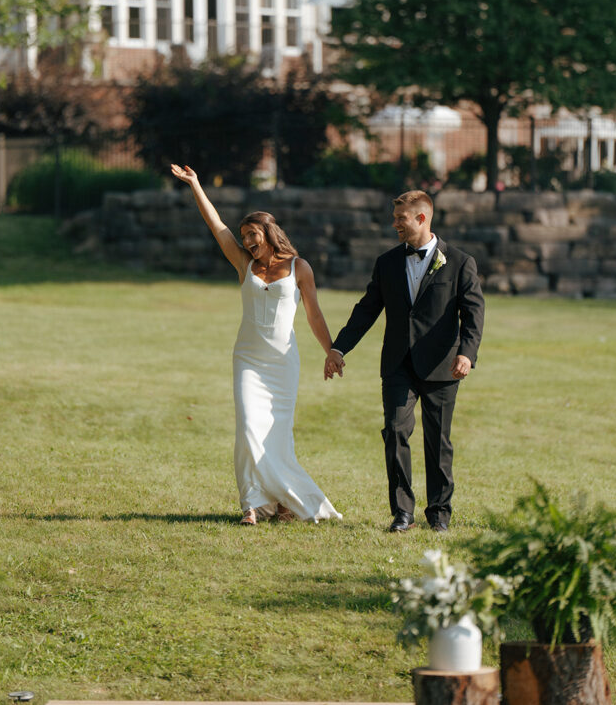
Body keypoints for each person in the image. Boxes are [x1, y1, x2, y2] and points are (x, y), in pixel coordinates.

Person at [171, 163, 342, 526]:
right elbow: (216, 226)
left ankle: (282, 503)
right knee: (249, 426)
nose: (247, 241)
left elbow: (313, 315)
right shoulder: (243, 264)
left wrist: (331, 350)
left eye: (253, 234)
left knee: (277, 434)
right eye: (244, 236)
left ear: (269, 232)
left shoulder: (300, 267)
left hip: (283, 363)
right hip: (248, 359)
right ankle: (251, 504)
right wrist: (196, 184)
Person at [324, 190, 484, 533]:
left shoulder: (459, 262)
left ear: (422, 218)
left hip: (443, 365)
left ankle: (439, 514)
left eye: (401, 218)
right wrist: (339, 349)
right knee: (395, 432)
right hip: (397, 364)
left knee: (437, 440)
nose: (394, 224)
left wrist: (467, 354)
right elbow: (366, 310)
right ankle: (403, 513)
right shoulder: (387, 262)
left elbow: (473, 314)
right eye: (395, 218)